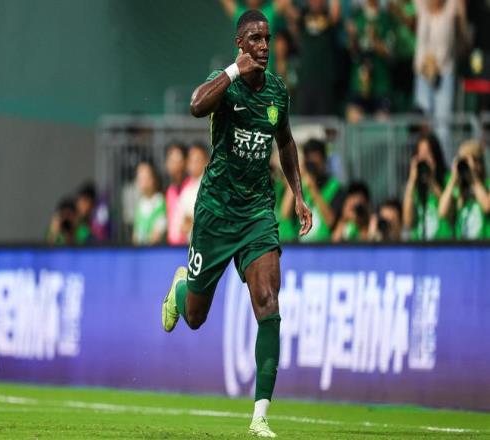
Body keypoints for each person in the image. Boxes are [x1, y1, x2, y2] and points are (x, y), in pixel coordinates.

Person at [161, 10, 312, 438]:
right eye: (255, 39)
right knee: (195, 317)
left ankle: (259, 417)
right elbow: (195, 106)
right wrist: (231, 72)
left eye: (267, 38)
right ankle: (181, 288)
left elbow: (286, 141)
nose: (264, 46)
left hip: (257, 213)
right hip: (215, 211)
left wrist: (298, 194)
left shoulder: (277, 92)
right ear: (239, 44)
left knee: (268, 301)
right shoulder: (224, 83)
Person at [413, 0, 468, 157]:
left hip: (444, 73)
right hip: (422, 74)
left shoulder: (452, 6)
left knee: (442, 127)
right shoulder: (421, 6)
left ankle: (442, 164)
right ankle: (422, 161)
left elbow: (464, 38)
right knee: (422, 124)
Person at [280, 138, 343, 242]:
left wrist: (313, 188)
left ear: (324, 160)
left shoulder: (334, 186)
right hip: (300, 246)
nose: (312, 165)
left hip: (324, 245)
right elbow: (284, 214)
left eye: (316, 161)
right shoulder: (302, 185)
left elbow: (331, 222)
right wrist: (296, 179)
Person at [287, 0, 342, 115]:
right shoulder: (302, 17)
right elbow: (286, 7)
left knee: (325, 123)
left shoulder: (329, 17)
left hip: (325, 83)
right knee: (303, 123)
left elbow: (336, 13)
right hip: (305, 82)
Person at [346, 0, 394, 122]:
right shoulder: (358, 18)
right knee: (353, 116)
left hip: (380, 82)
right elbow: (352, 53)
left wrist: (374, 40)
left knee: (382, 122)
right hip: (359, 82)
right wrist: (352, 37)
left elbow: (390, 52)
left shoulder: (385, 19)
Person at [402, 133, 451, 240]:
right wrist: (412, 180)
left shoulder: (448, 179)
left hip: (442, 242)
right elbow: (407, 221)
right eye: (420, 154)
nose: (424, 159)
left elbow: (448, 211)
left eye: (428, 153)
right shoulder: (414, 186)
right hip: (420, 243)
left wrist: (431, 181)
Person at [439, 140, 490, 240]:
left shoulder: (487, 185)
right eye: (464, 160)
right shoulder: (457, 189)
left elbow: (487, 207)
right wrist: (453, 179)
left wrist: (473, 178)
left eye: (474, 160)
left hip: (484, 246)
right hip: (463, 246)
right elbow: (442, 212)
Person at [177, 143, 210, 242]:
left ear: (206, 162)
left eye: (197, 160)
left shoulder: (211, 187)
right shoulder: (186, 191)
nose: (193, 164)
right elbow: (182, 225)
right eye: (191, 160)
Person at [133, 161, 166, 245]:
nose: (141, 180)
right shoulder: (141, 203)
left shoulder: (160, 202)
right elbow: (135, 235)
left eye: (145, 177)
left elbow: (156, 235)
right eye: (139, 177)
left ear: (153, 179)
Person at [165, 143, 190, 245]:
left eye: (177, 159)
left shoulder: (191, 187)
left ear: (185, 162)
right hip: (173, 248)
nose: (174, 163)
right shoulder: (169, 191)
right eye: (171, 159)